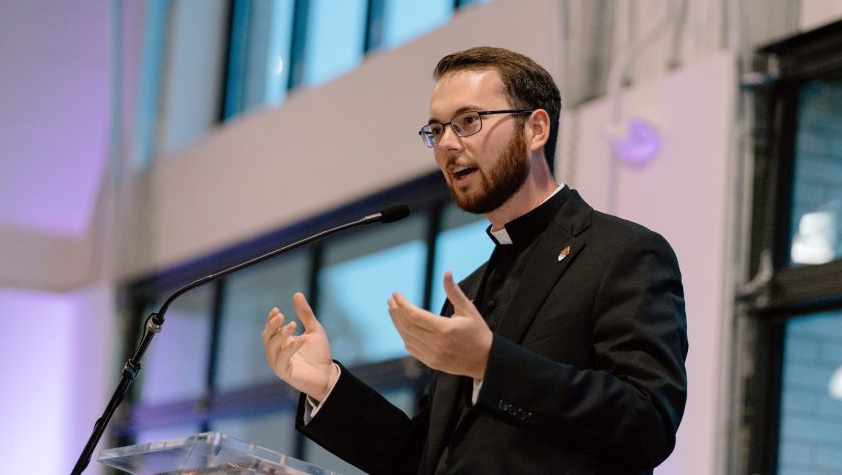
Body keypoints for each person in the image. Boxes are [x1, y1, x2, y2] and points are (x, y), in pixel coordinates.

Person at [262, 46, 687, 474]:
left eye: (468, 122)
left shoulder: (623, 253)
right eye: (436, 130)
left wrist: (491, 365)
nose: (447, 144)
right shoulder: (467, 292)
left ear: (535, 129)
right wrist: (325, 385)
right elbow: (422, 460)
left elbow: (647, 422)